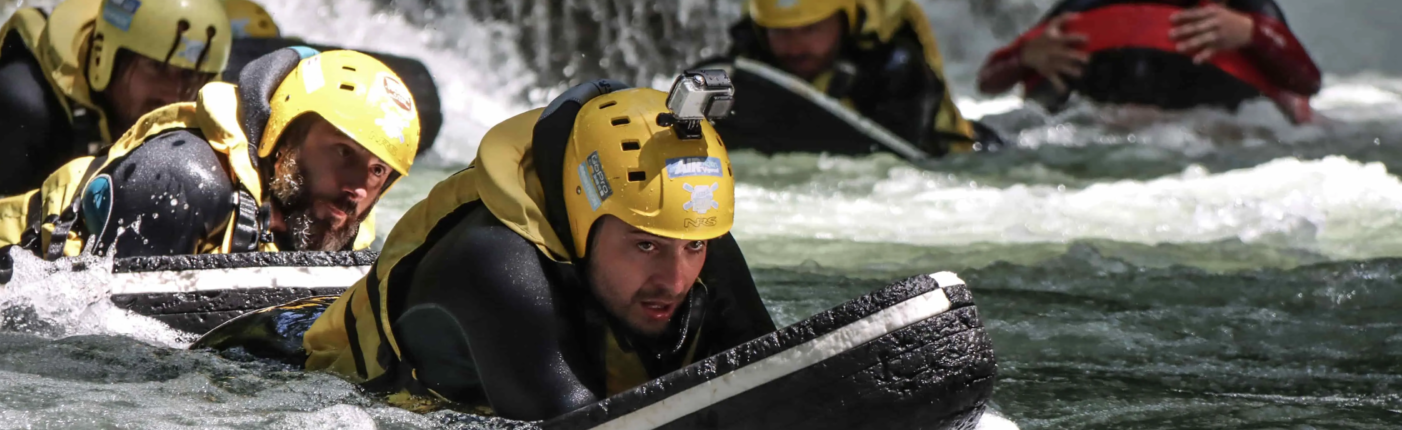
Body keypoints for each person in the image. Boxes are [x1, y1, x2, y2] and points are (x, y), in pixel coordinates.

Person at [193, 78, 777, 420]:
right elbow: (575, 423)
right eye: (646, 247)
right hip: (270, 372)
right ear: (582, 210)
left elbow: (774, 378)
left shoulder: (680, 229)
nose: (676, 279)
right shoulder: (493, 262)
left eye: (694, 247)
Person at [0, 48, 423, 278]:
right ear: (285, 133)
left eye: (378, 171)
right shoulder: (183, 177)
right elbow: (106, 353)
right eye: (344, 154)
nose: (359, 187)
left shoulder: (345, 235)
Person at [0, 0, 232, 199]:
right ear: (106, 58)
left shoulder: (200, 114)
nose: (175, 93)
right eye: (157, 68)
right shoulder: (23, 105)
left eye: (191, 75)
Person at [977, 0, 1322, 123]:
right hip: (1105, 132)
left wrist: (1253, 33)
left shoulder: (1248, 10)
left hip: (1217, 132)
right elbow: (990, 80)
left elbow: (1307, 82)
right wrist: (1027, 56)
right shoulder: (1087, 4)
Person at [717, 0, 988, 156]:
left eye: (810, 29)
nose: (796, 47)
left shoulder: (896, 64)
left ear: (843, 19)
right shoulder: (748, 58)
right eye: (780, 32)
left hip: (963, 152)